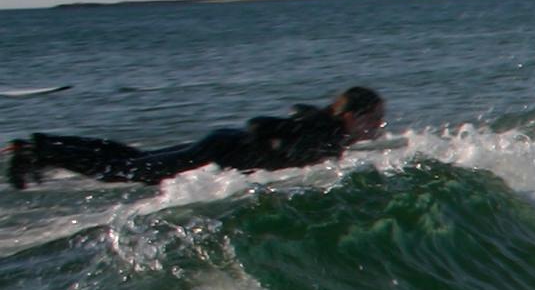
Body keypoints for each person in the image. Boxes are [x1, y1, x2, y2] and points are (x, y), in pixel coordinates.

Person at [10, 88, 387, 190]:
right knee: (123, 171)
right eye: (375, 120)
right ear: (352, 116)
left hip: (221, 147)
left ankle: (42, 148)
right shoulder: (326, 132)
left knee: (132, 160)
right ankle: (38, 150)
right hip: (220, 151)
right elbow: (260, 124)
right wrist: (265, 154)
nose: (379, 128)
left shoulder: (330, 133)